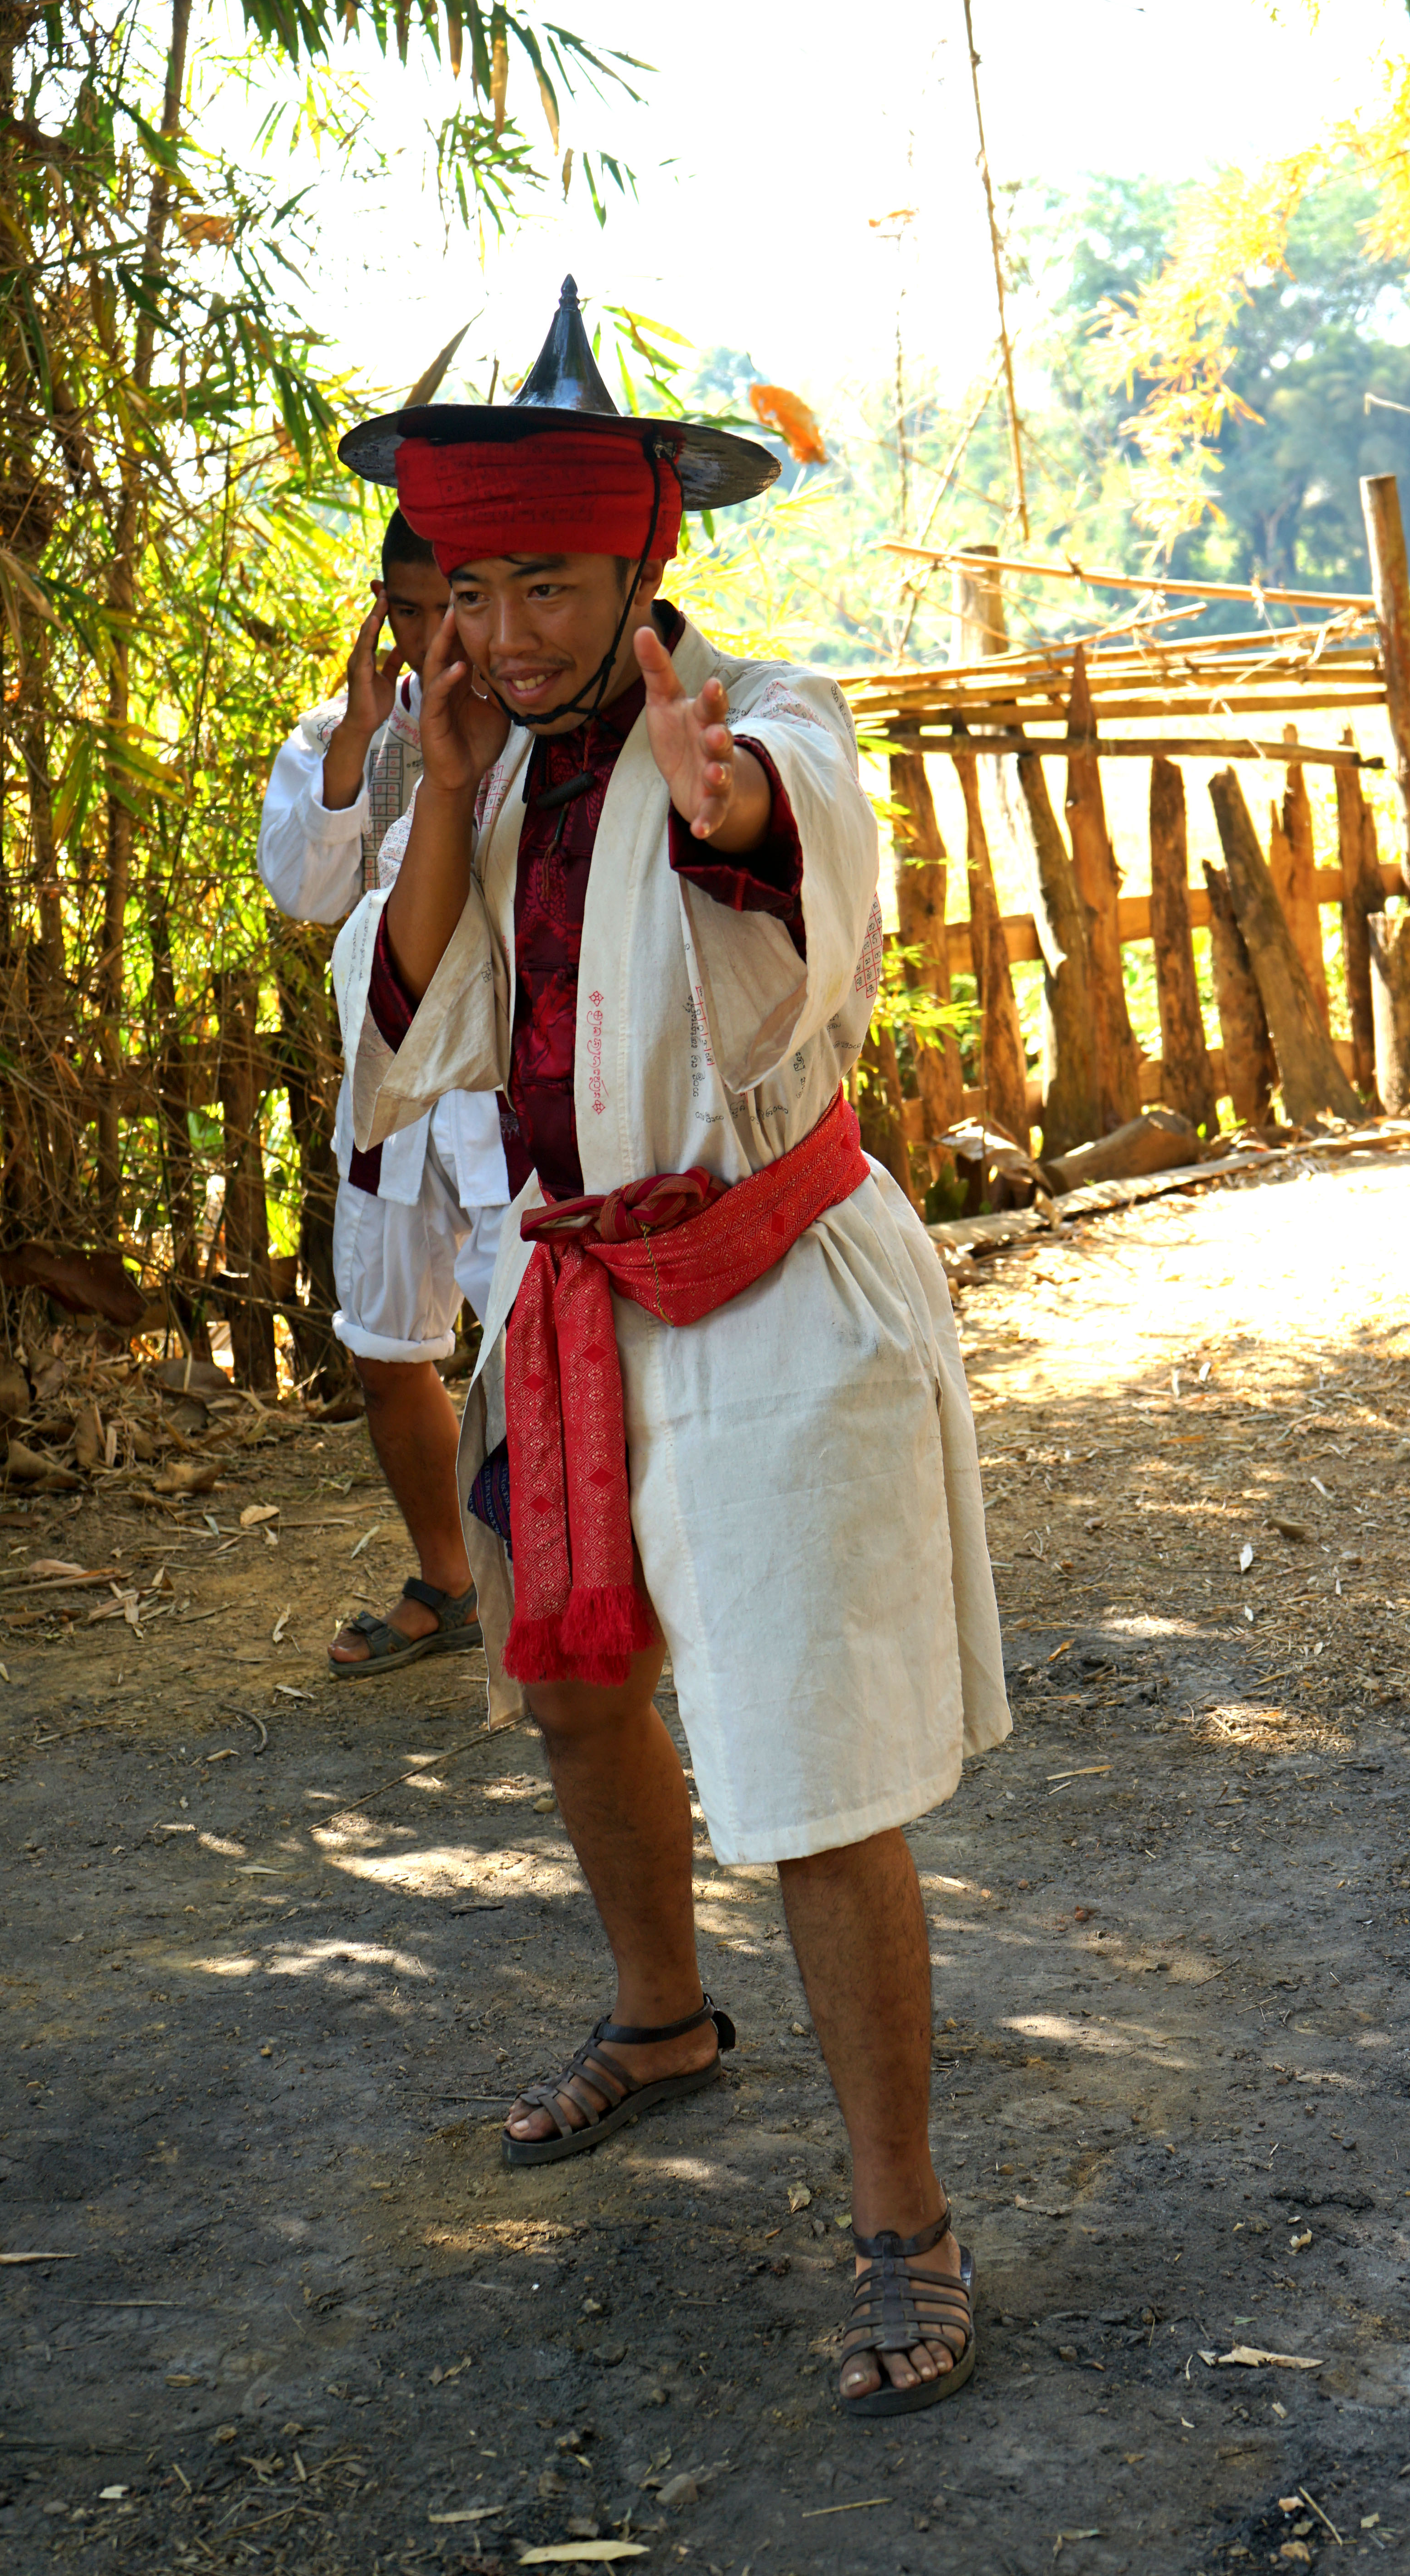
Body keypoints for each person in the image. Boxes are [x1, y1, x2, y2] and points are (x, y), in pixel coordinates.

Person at [333, 279, 1010, 2418]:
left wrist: (718, 805)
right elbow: (406, 1030)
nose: (510, 628)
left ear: (644, 565)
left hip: (770, 1291)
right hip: (571, 1298)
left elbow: (787, 829)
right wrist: (448, 788)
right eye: (474, 588)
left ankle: (904, 2217)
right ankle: (661, 2017)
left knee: (810, 1772)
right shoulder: (486, 765)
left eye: (550, 581)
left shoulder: (761, 715)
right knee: (570, 1686)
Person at [258, 510, 513, 1674]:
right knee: (383, 1343)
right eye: (407, 610)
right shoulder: (343, 736)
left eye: (454, 605)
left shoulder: (550, 726)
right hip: (391, 1090)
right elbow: (305, 893)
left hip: (513, 1093)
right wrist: (360, 741)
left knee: (537, 1339)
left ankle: (569, 1595)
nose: (432, 635)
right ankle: (451, 1582)